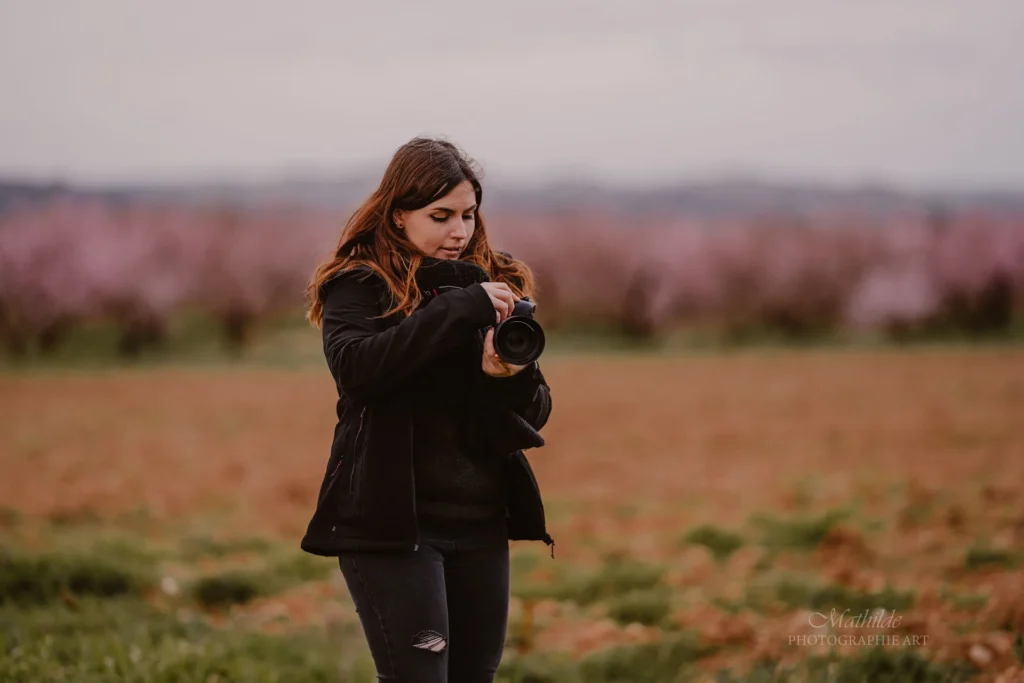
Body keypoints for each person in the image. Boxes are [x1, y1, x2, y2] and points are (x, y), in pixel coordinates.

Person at [300, 136, 554, 682]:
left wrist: (508, 375)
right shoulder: (359, 286)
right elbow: (360, 370)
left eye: (468, 214)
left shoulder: (495, 284)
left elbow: (534, 412)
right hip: (392, 529)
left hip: (481, 526)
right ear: (398, 216)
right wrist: (460, 308)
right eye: (440, 216)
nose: (459, 231)